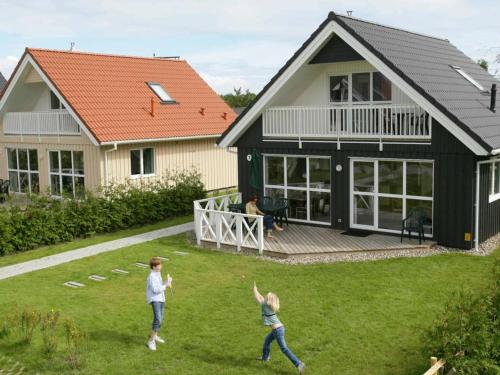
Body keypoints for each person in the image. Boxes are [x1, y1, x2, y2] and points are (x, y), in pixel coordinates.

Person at [253, 282, 305, 373]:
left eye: (266, 296)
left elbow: (258, 298)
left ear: (268, 300)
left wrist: (254, 289)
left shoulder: (265, 305)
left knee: (284, 349)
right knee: (267, 340)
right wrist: (257, 290)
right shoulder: (268, 305)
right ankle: (265, 358)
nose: (264, 297)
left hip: (277, 331)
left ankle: (299, 364)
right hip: (278, 329)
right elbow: (261, 298)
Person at [146, 257, 172, 351]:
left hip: (161, 299)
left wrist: (167, 282)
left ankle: (155, 336)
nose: (161, 266)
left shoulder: (158, 273)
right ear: (154, 267)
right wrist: (166, 286)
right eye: (159, 265)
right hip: (155, 299)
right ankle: (151, 341)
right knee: (158, 320)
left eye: (160, 264)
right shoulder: (152, 276)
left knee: (160, 319)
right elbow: (155, 290)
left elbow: (160, 285)